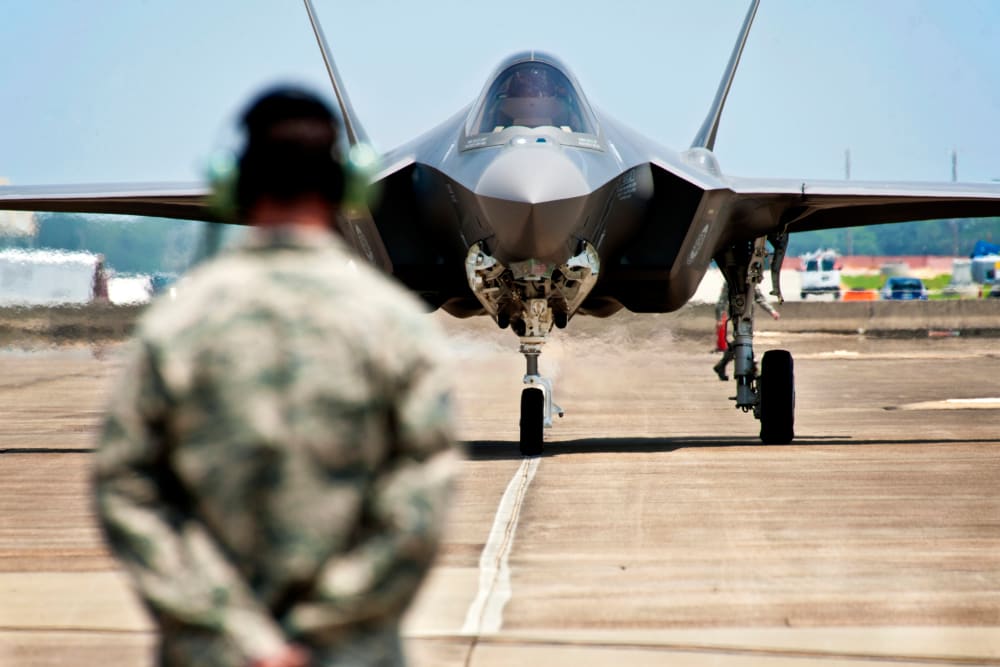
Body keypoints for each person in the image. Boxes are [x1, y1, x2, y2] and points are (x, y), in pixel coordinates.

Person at [94, 86, 459, 667]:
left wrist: (242, 638)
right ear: (352, 185)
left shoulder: (178, 326)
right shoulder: (395, 327)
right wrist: (322, 631)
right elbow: (419, 505)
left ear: (233, 184)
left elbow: (126, 489)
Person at [713, 282, 780, 381]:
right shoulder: (731, 280)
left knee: (742, 341)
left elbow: (759, 298)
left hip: (748, 317)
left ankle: (722, 365)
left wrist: (772, 311)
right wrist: (719, 318)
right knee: (742, 340)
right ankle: (752, 366)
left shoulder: (751, 280)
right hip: (737, 316)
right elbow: (722, 301)